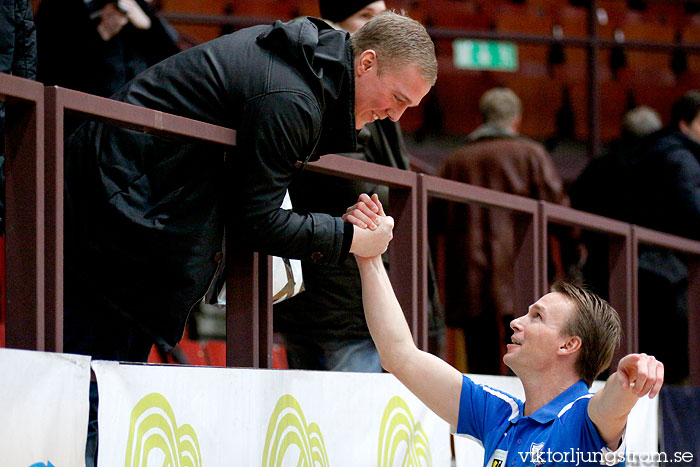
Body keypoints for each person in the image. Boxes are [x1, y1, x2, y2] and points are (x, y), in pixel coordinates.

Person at [63, 11, 437, 364]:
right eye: (398, 99)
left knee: (98, 388)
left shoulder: (305, 70)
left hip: (126, 205)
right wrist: (351, 238)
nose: (396, 116)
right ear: (366, 63)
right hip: (115, 213)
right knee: (90, 388)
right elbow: (257, 220)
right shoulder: (293, 96)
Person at [351, 202, 664, 466]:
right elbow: (400, 357)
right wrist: (370, 257)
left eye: (537, 317)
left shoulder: (582, 417)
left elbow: (611, 405)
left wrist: (628, 380)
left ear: (569, 344)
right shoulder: (499, 414)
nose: (516, 322)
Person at [272, 0, 445, 372]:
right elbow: (359, 192)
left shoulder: (376, 98)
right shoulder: (325, 98)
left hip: (342, 291)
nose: (379, 23)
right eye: (367, 16)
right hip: (339, 297)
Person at [437, 87, 569, 375]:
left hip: (470, 278)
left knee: (479, 363)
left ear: (483, 117)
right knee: (526, 359)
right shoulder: (531, 154)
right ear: (517, 119)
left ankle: (484, 418)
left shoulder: (455, 160)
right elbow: (562, 214)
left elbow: (435, 221)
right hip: (523, 275)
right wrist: (572, 261)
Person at [573, 93, 700, 383]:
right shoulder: (670, 159)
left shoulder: (601, 165)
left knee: (612, 354)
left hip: (604, 272)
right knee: (660, 362)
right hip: (661, 275)